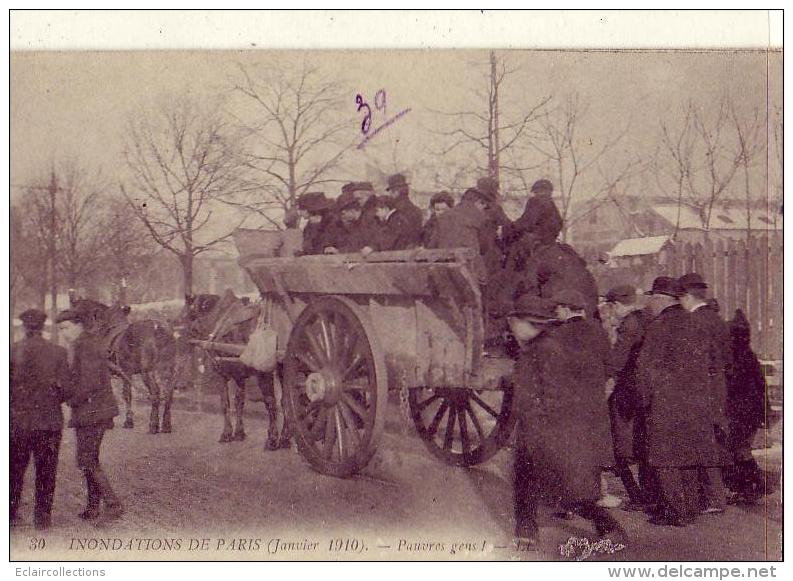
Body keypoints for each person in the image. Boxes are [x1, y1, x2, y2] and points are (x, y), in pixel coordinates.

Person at [510, 290, 623, 545]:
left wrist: (540, 431)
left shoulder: (542, 350)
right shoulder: (546, 346)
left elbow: (550, 395)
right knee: (543, 483)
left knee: (556, 486)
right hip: (550, 429)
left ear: (529, 324)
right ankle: (526, 532)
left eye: (515, 322)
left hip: (545, 430)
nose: (513, 328)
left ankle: (608, 527)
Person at [636, 277, 723, 526]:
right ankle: (692, 510)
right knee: (690, 457)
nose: (649, 303)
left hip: (666, 404)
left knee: (667, 460)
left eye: (651, 298)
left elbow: (645, 367)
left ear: (662, 299)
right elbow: (714, 365)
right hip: (696, 403)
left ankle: (676, 512)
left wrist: (645, 399)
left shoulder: (659, 326)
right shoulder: (697, 324)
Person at [56, 304, 124, 521]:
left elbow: (89, 383)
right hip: (92, 410)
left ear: (78, 325)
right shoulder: (84, 343)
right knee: (88, 459)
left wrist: (68, 399)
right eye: (60, 330)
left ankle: (113, 505)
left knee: (88, 460)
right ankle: (93, 507)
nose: (63, 333)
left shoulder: (84, 345)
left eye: (65, 328)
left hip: (93, 410)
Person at [10, 309, 71, 530]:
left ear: (25, 327)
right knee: (46, 472)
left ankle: (10, 514)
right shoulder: (59, 352)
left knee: (14, 470)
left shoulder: (11, 351)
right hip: (49, 423)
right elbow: (67, 391)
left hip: (17, 423)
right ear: (43, 327)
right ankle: (42, 520)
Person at [678, 272, 731, 514]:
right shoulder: (717, 319)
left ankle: (713, 498)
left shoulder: (693, 322)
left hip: (700, 388)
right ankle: (715, 496)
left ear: (687, 297)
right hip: (718, 386)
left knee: (702, 443)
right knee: (711, 440)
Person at [603, 285, 657, 512]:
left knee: (621, 445)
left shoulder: (629, 324)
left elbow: (617, 361)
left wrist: (606, 379)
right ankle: (648, 494)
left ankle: (637, 495)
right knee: (642, 443)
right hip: (646, 390)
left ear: (616, 305)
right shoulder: (647, 317)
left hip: (628, 391)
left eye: (611, 307)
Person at [724, 309, 768, 504]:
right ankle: (751, 487)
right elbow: (761, 386)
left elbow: (734, 386)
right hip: (750, 412)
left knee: (739, 450)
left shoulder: (738, 357)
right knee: (740, 450)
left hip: (741, 412)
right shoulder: (750, 356)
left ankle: (754, 486)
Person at [509, 240, 599, 320]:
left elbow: (529, 284)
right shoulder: (580, 268)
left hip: (559, 314)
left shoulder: (542, 255)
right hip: (583, 314)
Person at [427, 186, 491, 286]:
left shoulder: (443, 217)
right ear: (479, 202)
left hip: (445, 271)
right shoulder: (480, 217)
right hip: (470, 272)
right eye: (484, 207)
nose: (484, 210)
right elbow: (485, 247)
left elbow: (432, 246)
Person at [503, 178, 563, 256]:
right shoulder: (551, 203)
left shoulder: (534, 201)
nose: (540, 193)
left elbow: (528, 221)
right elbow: (559, 223)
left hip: (537, 238)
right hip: (551, 240)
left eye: (540, 191)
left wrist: (512, 227)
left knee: (514, 251)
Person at [384, 173, 423, 247]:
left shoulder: (395, 213)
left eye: (391, 192)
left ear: (396, 192)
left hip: (396, 255)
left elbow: (390, 240)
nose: (390, 195)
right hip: (413, 254)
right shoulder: (417, 210)